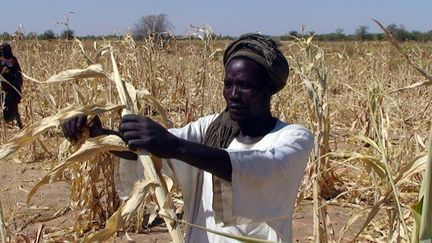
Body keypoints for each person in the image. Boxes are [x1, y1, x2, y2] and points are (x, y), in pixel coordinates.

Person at [62, 33, 314, 243]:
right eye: (228, 84)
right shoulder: (211, 129)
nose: (233, 94)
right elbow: (151, 153)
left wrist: (173, 145)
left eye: (245, 86)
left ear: (270, 88)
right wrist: (99, 134)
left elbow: (258, 167)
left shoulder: (293, 138)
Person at [0, 43, 23, 129]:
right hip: (2, 89)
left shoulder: (13, 60)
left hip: (12, 89)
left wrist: (15, 86)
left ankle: (19, 126)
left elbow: (18, 74)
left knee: (14, 108)